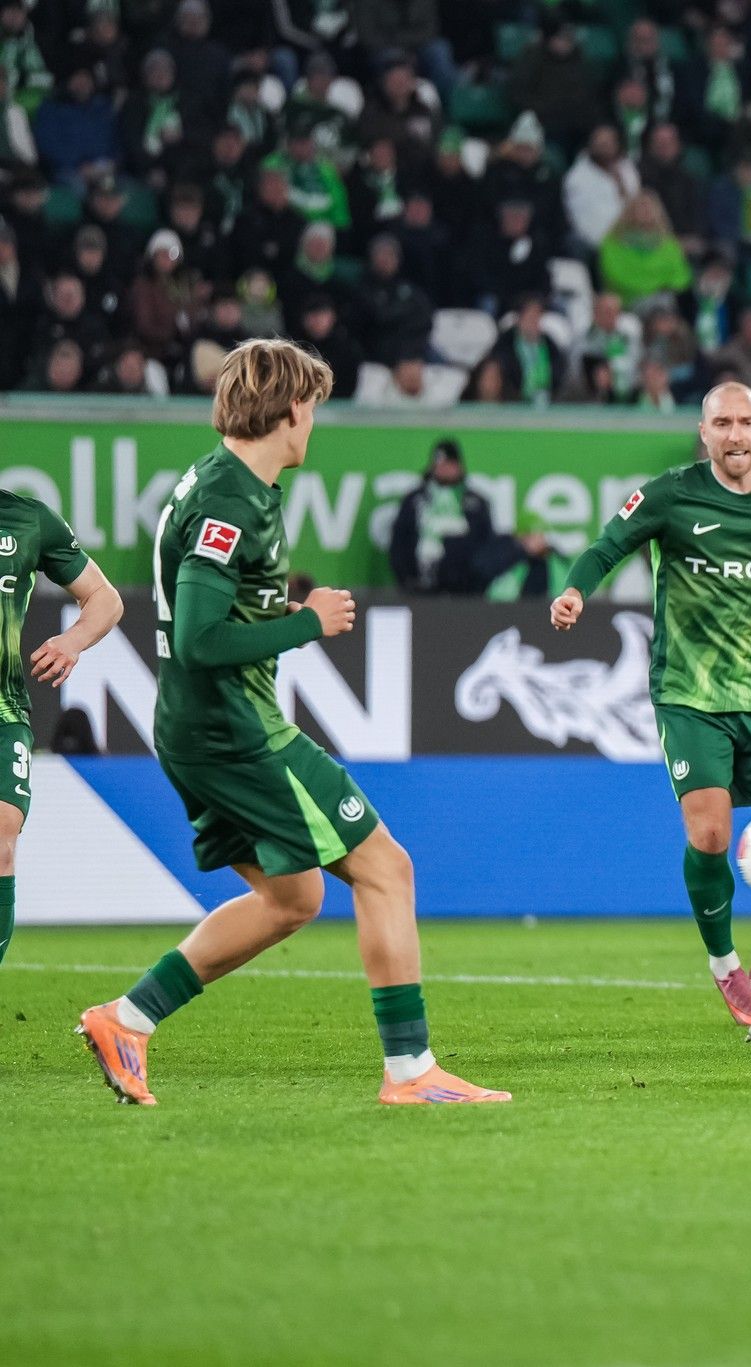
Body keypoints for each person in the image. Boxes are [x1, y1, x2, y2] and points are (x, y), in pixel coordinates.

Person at [76, 339, 508, 1106]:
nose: (314, 419)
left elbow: (207, 611)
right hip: (233, 728)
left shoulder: (229, 485)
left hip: (200, 727)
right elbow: (203, 639)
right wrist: (306, 621)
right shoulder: (230, 500)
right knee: (387, 869)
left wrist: (275, 611)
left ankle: (127, 1017)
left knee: (294, 896)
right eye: (312, 403)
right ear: (286, 408)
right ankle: (411, 1072)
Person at [549, 382, 751, 1025]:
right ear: (705, 433)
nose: (734, 436)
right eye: (721, 423)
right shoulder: (672, 493)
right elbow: (607, 545)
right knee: (713, 834)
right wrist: (576, 591)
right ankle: (725, 968)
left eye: (745, 422)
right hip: (689, 696)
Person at [0, 491, 123, 966]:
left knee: (3, 838)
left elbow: (104, 598)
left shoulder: (27, 520)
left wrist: (73, 640)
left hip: (4, 712)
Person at [388, 438, 496, 594]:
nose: (444, 469)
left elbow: (486, 546)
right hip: (420, 589)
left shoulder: (475, 503)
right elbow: (399, 542)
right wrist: (405, 580)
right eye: (440, 465)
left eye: (449, 464)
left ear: (459, 465)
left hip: (466, 593)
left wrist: (477, 583)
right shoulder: (415, 500)